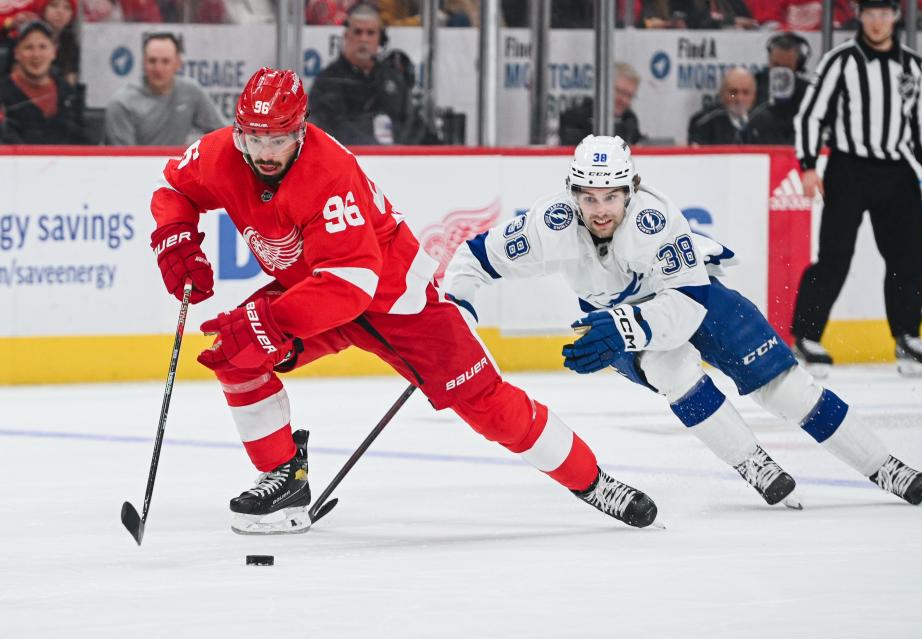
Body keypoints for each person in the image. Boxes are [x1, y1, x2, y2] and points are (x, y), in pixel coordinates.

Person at [148, 67, 658, 535]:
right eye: (254, 137)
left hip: (395, 301)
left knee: (488, 407)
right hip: (312, 289)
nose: (264, 150)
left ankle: (594, 482)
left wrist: (272, 319)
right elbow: (176, 187)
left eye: (278, 138)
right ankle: (284, 479)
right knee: (238, 354)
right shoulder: (222, 153)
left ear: (300, 131)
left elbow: (352, 287)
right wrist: (174, 236)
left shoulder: (329, 175)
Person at [443, 134, 922, 510]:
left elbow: (687, 308)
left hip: (684, 296)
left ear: (630, 190)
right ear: (573, 192)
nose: (599, 210)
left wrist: (628, 326)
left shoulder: (656, 221)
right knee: (672, 372)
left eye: (610, 196)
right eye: (588, 197)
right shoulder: (548, 225)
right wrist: (457, 315)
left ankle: (884, 467)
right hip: (615, 312)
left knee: (785, 389)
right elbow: (470, 260)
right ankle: (751, 461)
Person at [792, 0, 922, 377]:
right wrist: (809, 165)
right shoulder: (840, 60)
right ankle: (807, 337)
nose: (877, 22)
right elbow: (812, 113)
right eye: (871, 14)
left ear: (896, 17)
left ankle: (908, 337)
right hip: (849, 167)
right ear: (860, 17)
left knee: (908, 257)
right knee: (835, 254)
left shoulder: (912, 65)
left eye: (884, 14)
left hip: (896, 170)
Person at [307, 2, 436, 145]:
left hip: (397, 163)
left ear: (380, 39)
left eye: (370, 33)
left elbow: (413, 126)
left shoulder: (394, 79)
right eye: (358, 32)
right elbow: (323, 133)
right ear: (346, 36)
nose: (364, 39)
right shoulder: (328, 82)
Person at [104, 32, 224, 145]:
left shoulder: (191, 92)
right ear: (143, 63)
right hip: (136, 166)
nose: (158, 68)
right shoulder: (122, 103)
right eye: (152, 61)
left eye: (165, 61)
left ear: (178, 64)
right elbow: (122, 159)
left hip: (177, 165)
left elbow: (223, 134)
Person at [0, 19, 86, 144]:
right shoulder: (2, 93)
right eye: (29, 47)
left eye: (43, 47)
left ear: (54, 52)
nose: (36, 55)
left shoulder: (68, 93)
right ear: (17, 53)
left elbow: (82, 142)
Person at [558, 62, 645, 146]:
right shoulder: (575, 118)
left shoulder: (629, 119)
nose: (625, 100)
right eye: (621, 92)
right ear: (604, 88)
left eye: (630, 96)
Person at [746, 32, 811, 145]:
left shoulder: (809, 92)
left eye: (786, 67)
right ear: (769, 60)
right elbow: (731, 96)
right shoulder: (753, 83)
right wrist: (732, 96)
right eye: (776, 65)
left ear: (797, 65)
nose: (780, 72)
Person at [687, 67, 755, 145]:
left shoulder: (764, 122)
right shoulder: (704, 122)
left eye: (745, 93)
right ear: (722, 94)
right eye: (733, 93)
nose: (739, 98)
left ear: (753, 95)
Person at [39, 0, 78, 86]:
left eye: (67, 8)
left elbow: (70, 82)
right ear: (43, 10)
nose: (60, 12)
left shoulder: (71, 43)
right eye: (54, 5)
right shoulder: (27, 38)